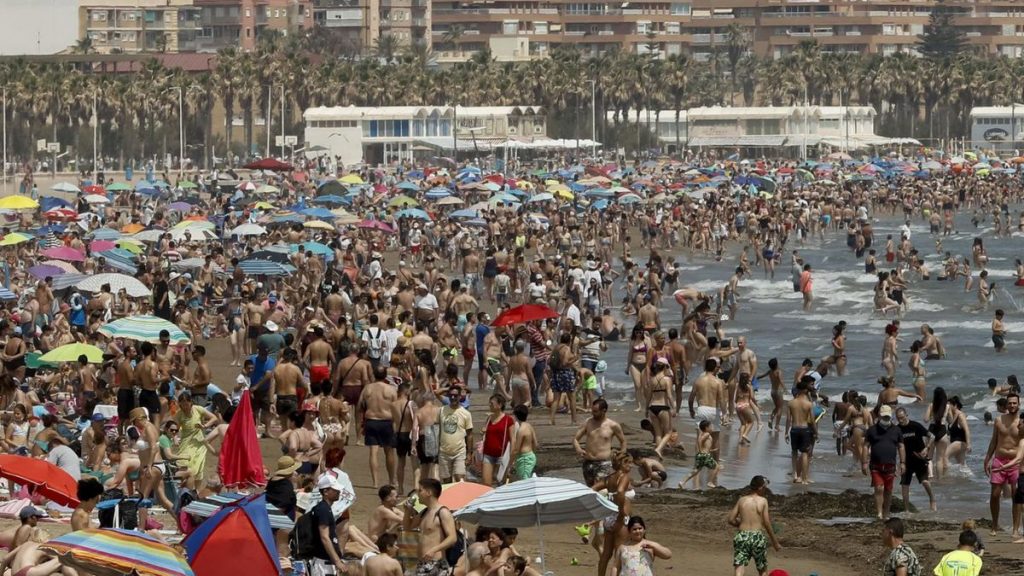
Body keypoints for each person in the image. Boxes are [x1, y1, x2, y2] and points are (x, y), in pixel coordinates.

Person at [727, 475, 781, 576]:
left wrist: (740, 524)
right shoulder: (763, 501)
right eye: (765, 487)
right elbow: (766, 522)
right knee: (762, 568)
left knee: (739, 565)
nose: (765, 490)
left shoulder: (742, 500)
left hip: (742, 536)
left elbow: (731, 519)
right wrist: (775, 542)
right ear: (760, 488)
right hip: (757, 537)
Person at [984, 392, 1021, 535]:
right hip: (999, 460)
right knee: (995, 494)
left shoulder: (1022, 422)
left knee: (1016, 495)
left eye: (1014, 403)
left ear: (1018, 404)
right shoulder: (999, 420)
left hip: (1015, 462)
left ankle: (1016, 528)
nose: (1012, 405)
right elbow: (994, 441)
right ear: (1006, 404)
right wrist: (987, 458)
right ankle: (994, 525)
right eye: (1010, 403)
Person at [573, 398, 627, 487]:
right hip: (588, 462)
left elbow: (623, 441)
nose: (592, 413)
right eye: (592, 410)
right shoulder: (588, 422)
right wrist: (578, 448)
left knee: (600, 489)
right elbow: (575, 439)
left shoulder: (613, 425)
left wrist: (622, 455)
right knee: (590, 489)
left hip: (604, 463)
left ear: (604, 411)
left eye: (595, 411)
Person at [864, 405, 906, 520]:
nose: (886, 419)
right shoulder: (872, 430)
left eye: (888, 417)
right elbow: (865, 446)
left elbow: (901, 446)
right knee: (879, 488)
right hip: (875, 465)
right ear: (879, 416)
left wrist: (902, 463)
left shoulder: (896, 430)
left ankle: (886, 512)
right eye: (884, 417)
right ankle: (879, 513)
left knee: (888, 490)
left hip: (890, 465)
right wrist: (864, 462)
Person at [895, 407, 936, 512]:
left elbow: (932, 436)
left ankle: (932, 499)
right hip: (906, 461)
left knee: (925, 481)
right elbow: (895, 445)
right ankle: (907, 510)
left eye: (902, 418)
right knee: (904, 485)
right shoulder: (897, 430)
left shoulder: (915, 426)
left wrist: (927, 448)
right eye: (898, 418)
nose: (900, 420)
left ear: (906, 415)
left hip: (919, 458)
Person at [414, 478, 457, 576]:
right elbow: (407, 527)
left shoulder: (443, 512)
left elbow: (452, 538)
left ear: (429, 492)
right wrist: (407, 511)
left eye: (420, 490)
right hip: (422, 563)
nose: (418, 494)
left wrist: (434, 549)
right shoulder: (424, 512)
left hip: (436, 563)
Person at [309, 473, 347, 576]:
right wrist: (337, 561)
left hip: (326, 563)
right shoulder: (323, 510)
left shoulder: (325, 508)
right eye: (335, 490)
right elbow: (325, 537)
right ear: (325, 491)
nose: (338, 492)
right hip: (322, 564)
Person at [438, 387, 474, 483]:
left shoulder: (466, 413)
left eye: (455, 395)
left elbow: (470, 435)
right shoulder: (441, 411)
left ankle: (463, 498)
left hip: (460, 452)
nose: (453, 397)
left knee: (460, 479)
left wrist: (470, 453)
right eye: (451, 395)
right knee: (446, 482)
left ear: (460, 397)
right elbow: (435, 392)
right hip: (444, 452)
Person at [480, 394, 515, 486]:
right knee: (486, 484)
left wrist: (511, 459)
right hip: (488, 454)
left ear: (499, 405)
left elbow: (513, 440)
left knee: (501, 483)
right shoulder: (489, 418)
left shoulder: (508, 420)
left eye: (492, 403)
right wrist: (484, 431)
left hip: (501, 456)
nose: (489, 405)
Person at [511, 404, 538, 481]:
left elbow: (516, 449)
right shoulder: (529, 426)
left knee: (525, 482)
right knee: (529, 480)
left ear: (516, 416)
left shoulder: (521, 430)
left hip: (524, 458)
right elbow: (535, 443)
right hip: (531, 456)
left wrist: (510, 462)